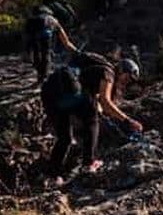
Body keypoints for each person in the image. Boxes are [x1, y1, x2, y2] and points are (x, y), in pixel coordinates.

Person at [40, 54, 143, 184]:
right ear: (121, 70)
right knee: (92, 121)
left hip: (52, 96)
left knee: (65, 138)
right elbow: (105, 102)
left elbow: (97, 98)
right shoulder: (108, 73)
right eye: (127, 78)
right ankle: (89, 163)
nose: (126, 82)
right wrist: (128, 121)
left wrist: (98, 106)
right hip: (69, 97)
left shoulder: (96, 69)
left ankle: (52, 176)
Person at [23, 5, 77, 83]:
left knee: (36, 53)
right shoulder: (52, 19)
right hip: (45, 35)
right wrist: (75, 50)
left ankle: (39, 72)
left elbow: (26, 35)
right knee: (46, 53)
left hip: (33, 36)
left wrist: (26, 50)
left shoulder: (31, 19)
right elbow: (65, 39)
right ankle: (44, 75)